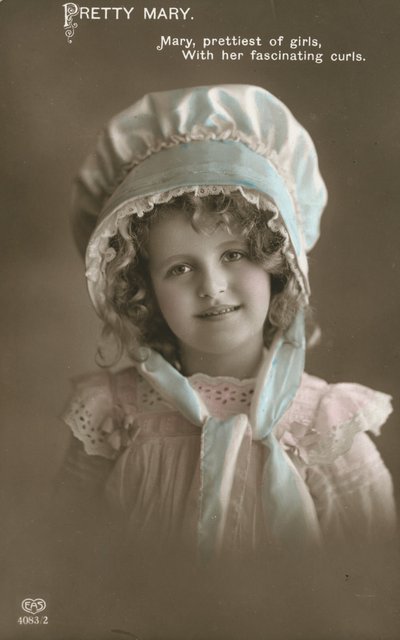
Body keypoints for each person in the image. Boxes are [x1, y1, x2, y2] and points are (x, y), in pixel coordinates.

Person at [58, 85, 396, 560]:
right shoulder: (113, 414)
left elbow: (376, 576)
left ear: (278, 267)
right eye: (179, 268)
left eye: (234, 255)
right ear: (144, 290)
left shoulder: (324, 426)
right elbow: (63, 555)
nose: (212, 287)